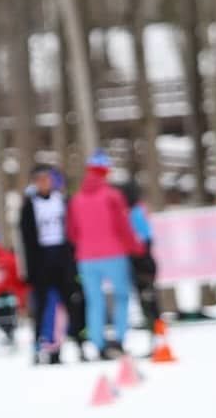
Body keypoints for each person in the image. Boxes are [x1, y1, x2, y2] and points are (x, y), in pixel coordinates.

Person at [66, 151, 143, 359]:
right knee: (121, 297)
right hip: (114, 254)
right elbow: (123, 227)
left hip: (86, 258)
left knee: (94, 300)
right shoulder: (112, 196)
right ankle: (118, 339)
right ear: (106, 172)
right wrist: (135, 247)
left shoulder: (76, 200)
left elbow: (72, 232)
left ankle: (98, 343)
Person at [20, 163, 81, 364]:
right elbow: (26, 240)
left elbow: (73, 232)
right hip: (41, 262)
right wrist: (29, 270)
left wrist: (73, 261)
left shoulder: (63, 200)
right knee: (43, 307)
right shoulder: (29, 206)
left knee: (72, 303)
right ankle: (42, 347)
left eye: (46, 179)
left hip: (63, 260)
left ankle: (79, 343)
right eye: (38, 180)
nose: (43, 183)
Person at [122, 181, 161, 329]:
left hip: (142, 259)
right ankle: (154, 327)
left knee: (148, 297)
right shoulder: (135, 210)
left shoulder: (135, 211)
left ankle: (157, 329)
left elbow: (145, 237)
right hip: (140, 258)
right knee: (146, 297)